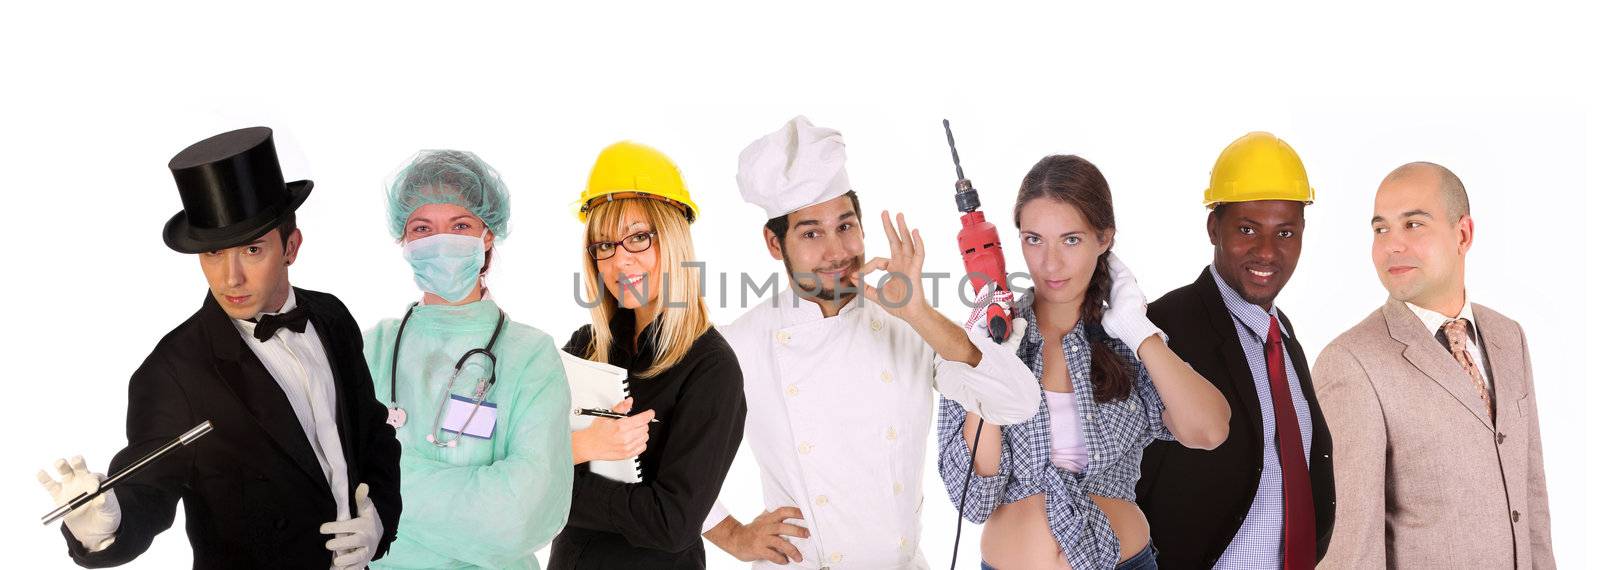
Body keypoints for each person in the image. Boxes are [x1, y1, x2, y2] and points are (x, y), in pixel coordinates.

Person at [36, 126, 400, 568]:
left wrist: (379, 518)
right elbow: (149, 488)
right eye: (213, 255)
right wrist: (106, 526)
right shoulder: (174, 370)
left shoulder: (332, 316)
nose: (230, 279)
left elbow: (374, 434)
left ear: (291, 246)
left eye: (250, 250)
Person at [700, 116, 1041, 568]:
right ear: (774, 243)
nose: (837, 252)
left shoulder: (905, 324)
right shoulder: (740, 343)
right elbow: (660, 447)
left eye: (845, 226)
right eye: (811, 233)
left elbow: (1016, 404)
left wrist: (919, 313)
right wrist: (732, 535)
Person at [938, 154, 1231, 569]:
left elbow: (1209, 430)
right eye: (1034, 239)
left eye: (1071, 239)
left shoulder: (1128, 343)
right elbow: (976, 499)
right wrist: (987, 368)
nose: (1051, 263)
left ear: (1104, 239)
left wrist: (1136, 330)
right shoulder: (984, 344)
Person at [1314, 162, 1553, 568]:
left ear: (1463, 234)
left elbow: (1531, 505)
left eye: (1413, 225)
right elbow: (1351, 548)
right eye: (1380, 229)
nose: (1391, 244)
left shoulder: (1508, 337)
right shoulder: (1351, 364)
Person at [363, 149, 573, 569]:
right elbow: (331, 480)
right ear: (404, 241)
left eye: (460, 226)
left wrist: (386, 493)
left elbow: (520, 516)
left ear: (487, 234)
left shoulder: (530, 356)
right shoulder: (372, 349)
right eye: (423, 228)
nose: (441, 243)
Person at [1136, 132, 1334, 569]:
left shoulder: (1282, 336)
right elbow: (1118, 481)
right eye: (1247, 229)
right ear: (1213, 228)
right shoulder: (1163, 329)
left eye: (1285, 232)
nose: (1267, 251)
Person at [549, 141, 747, 569]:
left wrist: (557, 476)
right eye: (604, 245)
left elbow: (672, 523)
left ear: (673, 238)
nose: (620, 260)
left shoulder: (711, 367)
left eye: (638, 237)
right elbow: (521, 453)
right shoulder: (585, 348)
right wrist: (581, 448)